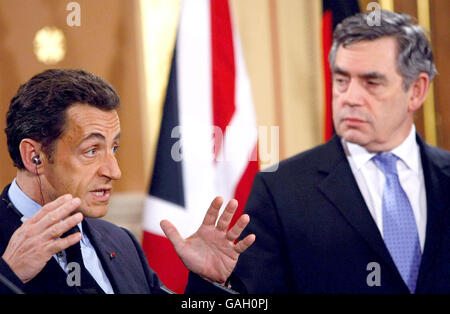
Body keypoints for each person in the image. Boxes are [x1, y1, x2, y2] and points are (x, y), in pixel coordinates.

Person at [226, 10, 449, 294]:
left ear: (416, 91)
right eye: (341, 80)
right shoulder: (281, 190)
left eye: (371, 83)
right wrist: (210, 284)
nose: (350, 98)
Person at [0, 69, 255, 294]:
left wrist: (207, 282)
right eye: (92, 151)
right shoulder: (8, 258)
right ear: (34, 156)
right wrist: (8, 275)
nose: (114, 171)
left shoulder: (121, 242)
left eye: (114, 148)